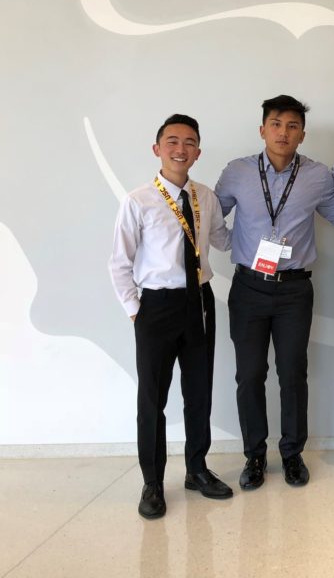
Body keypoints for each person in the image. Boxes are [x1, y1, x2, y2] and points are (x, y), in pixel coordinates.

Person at [215, 95, 334, 490]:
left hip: (294, 290)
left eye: (292, 126)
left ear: (302, 135)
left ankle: (292, 454)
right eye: (276, 124)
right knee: (250, 375)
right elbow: (208, 215)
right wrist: (226, 245)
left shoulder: (318, 176)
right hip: (248, 286)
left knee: (293, 374)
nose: (283, 132)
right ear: (262, 130)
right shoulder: (237, 172)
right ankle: (254, 457)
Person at [109, 114, 233, 519]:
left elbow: (224, 240)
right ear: (157, 148)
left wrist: (265, 226)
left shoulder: (206, 197)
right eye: (173, 140)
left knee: (199, 394)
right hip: (157, 307)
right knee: (153, 398)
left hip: (198, 301)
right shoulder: (137, 200)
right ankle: (152, 482)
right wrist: (135, 311)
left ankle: (196, 469)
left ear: (198, 152)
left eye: (190, 142)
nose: (181, 148)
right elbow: (119, 263)